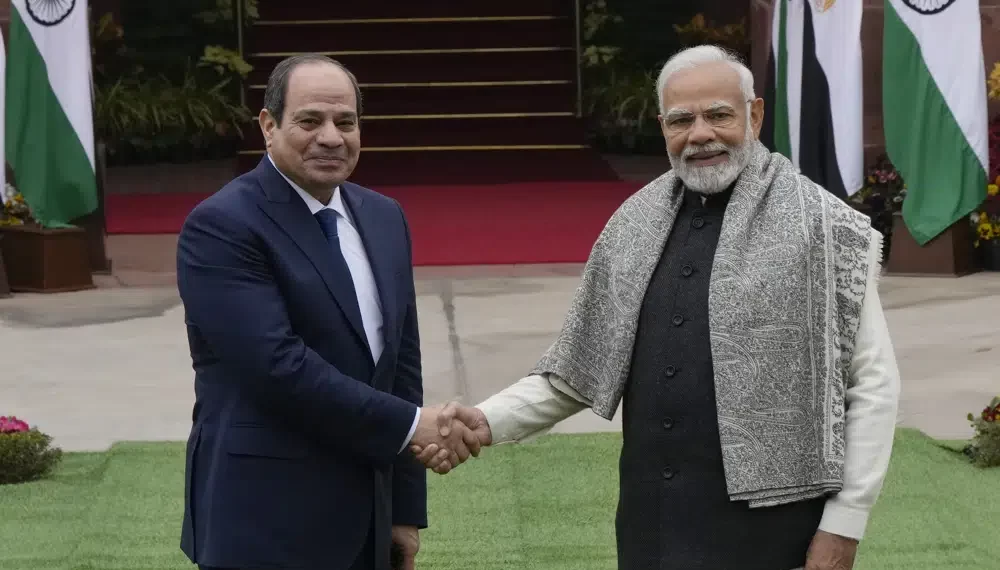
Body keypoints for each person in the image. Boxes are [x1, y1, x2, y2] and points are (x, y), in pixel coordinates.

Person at [412, 45, 901, 570]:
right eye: (681, 120)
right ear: (662, 126)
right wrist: (483, 421)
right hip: (652, 525)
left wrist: (844, 525)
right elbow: (578, 369)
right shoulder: (633, 224)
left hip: (774, 530)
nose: (700, 135)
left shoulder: (824, 227)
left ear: (754, 115)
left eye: (718, 115)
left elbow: (872, 384)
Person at [176, 53, 479, 570]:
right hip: (262, 524)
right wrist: (413, 426)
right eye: (310, 120)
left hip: (367, 524)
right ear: (268, 126)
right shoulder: (221, 227)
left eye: (346, 121)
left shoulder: (384, 217)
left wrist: (404, 512)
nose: (332, 137)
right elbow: (277, 367)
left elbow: (401, 366)